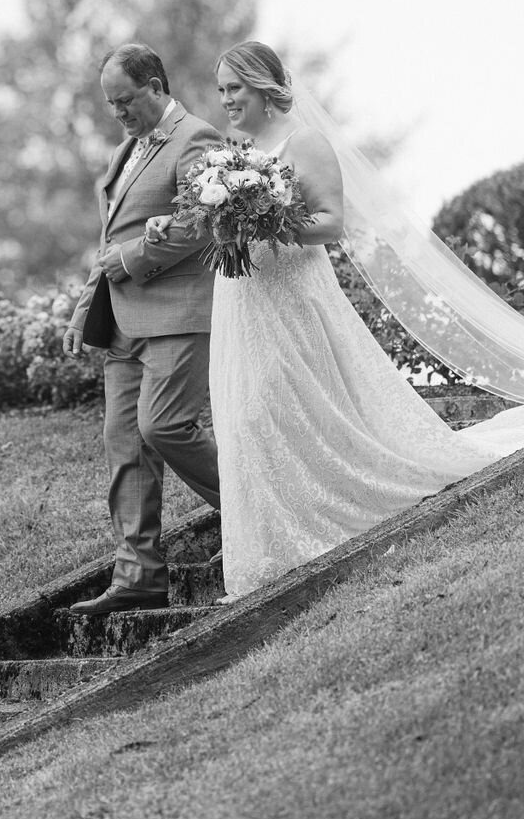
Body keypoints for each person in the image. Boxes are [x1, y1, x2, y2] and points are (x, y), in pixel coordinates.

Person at [149, 40, 524, 600]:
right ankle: (270, 545)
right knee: (246, 415)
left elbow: (329, 223)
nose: (225, 99)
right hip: (243, 300)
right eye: (222, 89)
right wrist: (188, 221)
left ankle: (322, 518)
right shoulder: (236, 152)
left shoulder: (307, 143)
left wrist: (268, 220)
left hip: (293, 295)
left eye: (234, 89)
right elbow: (217, 222)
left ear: (264, 88)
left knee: (275, 405)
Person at [61, 43, 222, 615]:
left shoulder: (198, 138)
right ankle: (139, 575)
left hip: (178, 313)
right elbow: (109, 241)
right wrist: (86, 307)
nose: (118, 114)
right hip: (122, 322)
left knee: (164, 427)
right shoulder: (124, 151)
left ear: (155, 84)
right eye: (110, 104)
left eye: (125, 100)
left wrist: (131, 258)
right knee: (123, 445)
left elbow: (203, 221)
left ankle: (255, 509)